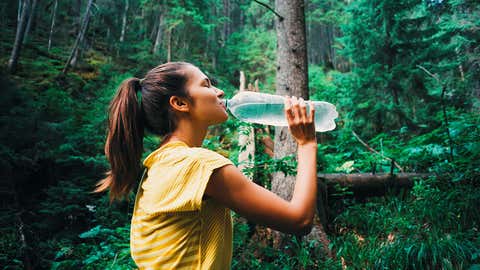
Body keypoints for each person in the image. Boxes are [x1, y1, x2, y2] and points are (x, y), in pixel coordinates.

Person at [94, 62, 318, 269]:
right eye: (206, 85)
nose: (219, 92)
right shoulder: (198, 165)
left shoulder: (159, 164)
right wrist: (306, 143)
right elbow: (300, 219)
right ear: (180, 103)